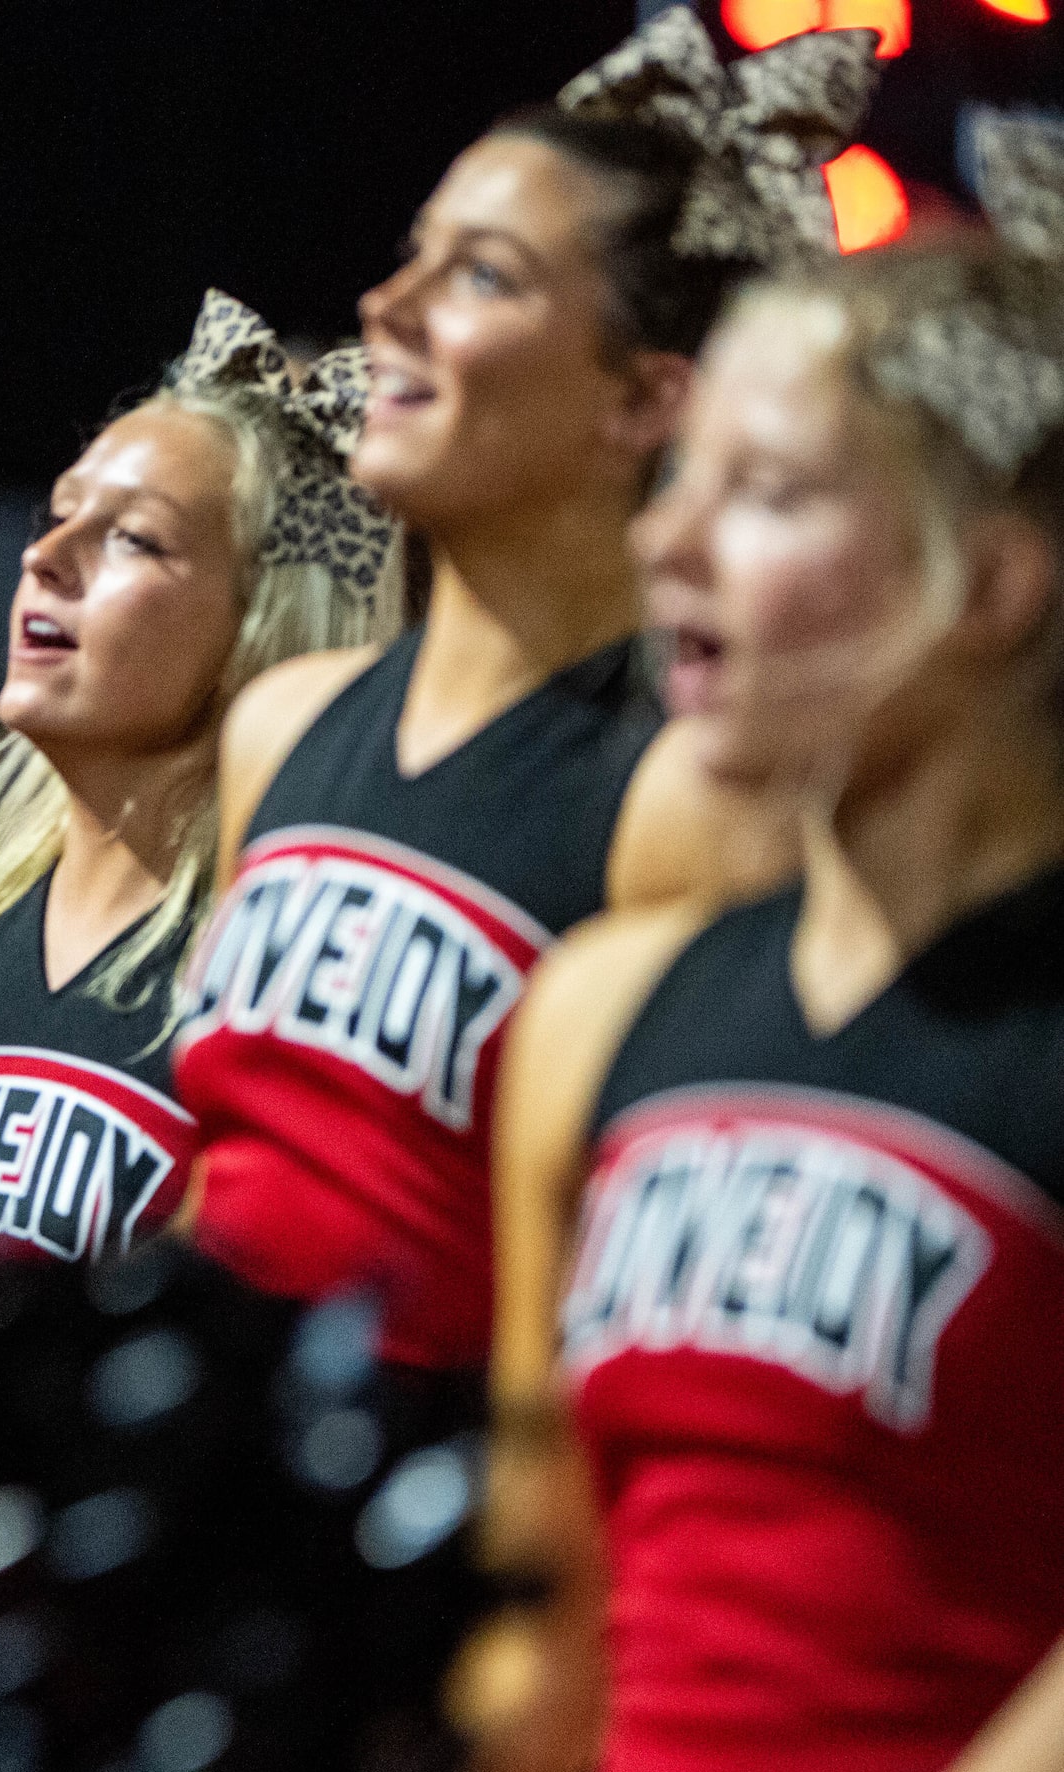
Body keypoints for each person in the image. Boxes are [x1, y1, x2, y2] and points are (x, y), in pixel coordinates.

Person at [487, 124, 1064, 1772]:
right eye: (675, 479)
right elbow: (533, 1642)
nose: (665, 542)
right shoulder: (592, 1014)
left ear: (995, 581)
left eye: (769, 490)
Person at [170, 6, 878, 1381]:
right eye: (409, 259)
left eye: (482, 277)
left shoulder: (686, 794)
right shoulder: (277, 724)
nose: (388, 310)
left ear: (642, 401)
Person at [0, 292, 397, 1757]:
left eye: (132, 538)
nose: (45, 559)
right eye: (59, 515)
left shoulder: (263, 983)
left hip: (126, 1735)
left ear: (264, 620)